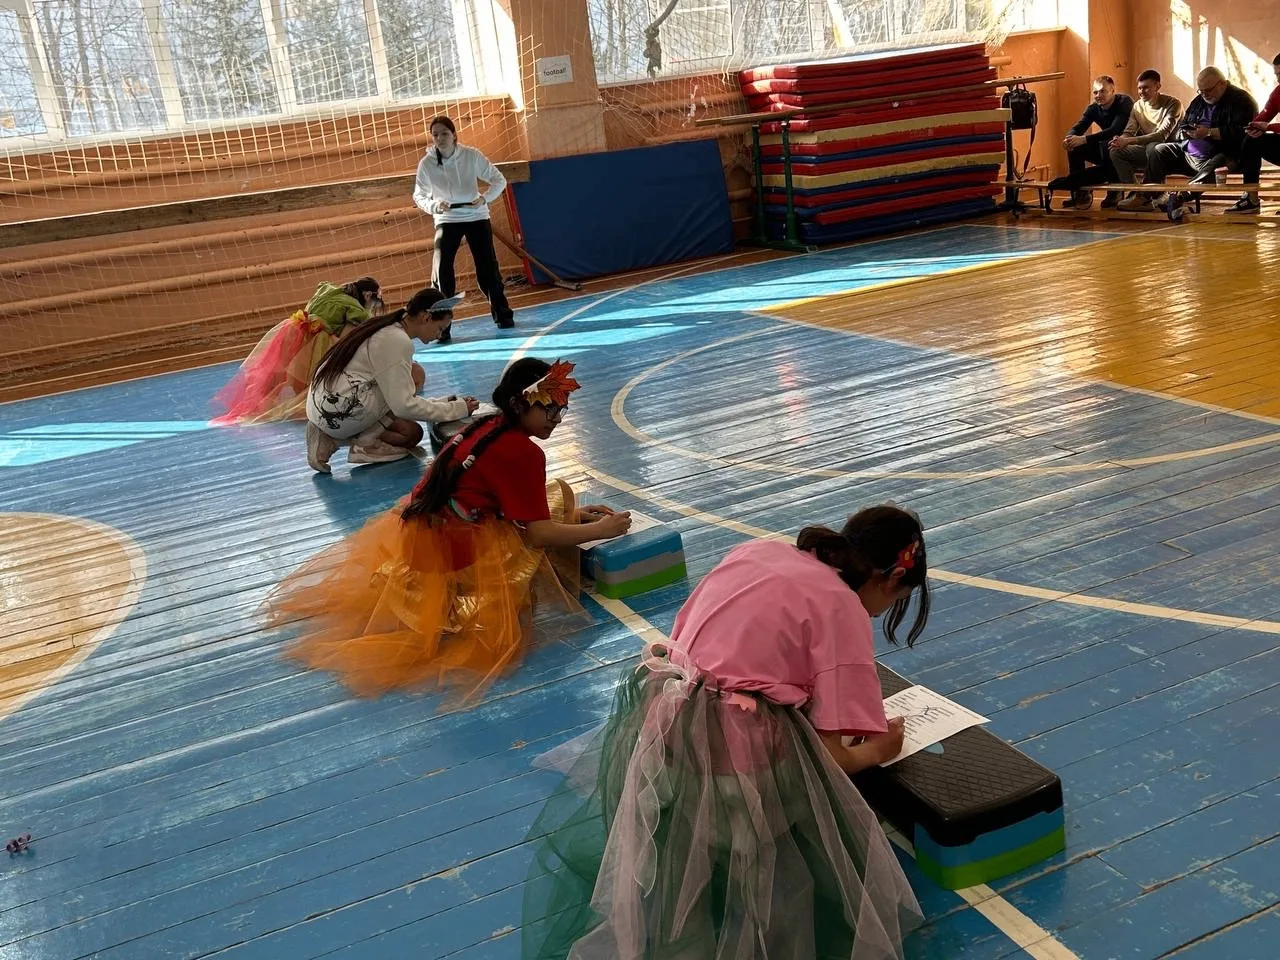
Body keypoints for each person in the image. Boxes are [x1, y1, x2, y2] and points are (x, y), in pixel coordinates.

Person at [521, 505, 931, 960]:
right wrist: (877, 750)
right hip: (740, 759)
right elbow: (833, 757)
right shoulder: (842, 606)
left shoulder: (760, 551)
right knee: (792, 831)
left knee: (691, 845)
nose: (881, 613)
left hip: (668, 721)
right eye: (896, 600)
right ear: (892, 578)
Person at [269, 358, 632, 703]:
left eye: (561, 411)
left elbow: (499, 498)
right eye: (548, 409)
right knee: (537, 547)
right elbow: (537, 535)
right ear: (519, 404)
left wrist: (571, 517)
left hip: (423, 528)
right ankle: (459, 601)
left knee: (558, 500)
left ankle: (450, 594)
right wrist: (602, 529)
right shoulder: (523, 452)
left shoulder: (487, 426)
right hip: (455, 546)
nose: (556, 420)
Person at [305, 287, 475, 473]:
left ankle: (329, 438)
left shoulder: (386, 326)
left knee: (411, 434)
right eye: (440, 328)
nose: (440, 335)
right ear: (426, 318)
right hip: (339, 408)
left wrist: (440, 403)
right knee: (412, 376)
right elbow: (403, 406)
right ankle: (365, 444)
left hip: (322, 406)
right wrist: (457, 409)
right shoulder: (397, 340)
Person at [212, 277, 383, 425]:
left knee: (284, 375)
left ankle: (263, 403)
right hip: (316, 341)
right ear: (368, 296)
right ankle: (289, 406)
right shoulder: (356, 309)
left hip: (294, 331)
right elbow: (346, 339)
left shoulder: (328, 290)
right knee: (312, 379)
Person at [412, 115, 515, 343]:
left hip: (476, 215)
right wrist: (434, 205)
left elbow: (499, 180)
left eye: (444, 133)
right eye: (435, 135)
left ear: (454, 135)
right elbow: (419, 195)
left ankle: (503, 315)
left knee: (487, 268)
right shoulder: (427, 164)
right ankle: (441, 327)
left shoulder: (471, 156)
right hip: (447, 219)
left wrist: (484, 198)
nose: (440, 138)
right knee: (442, 271)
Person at [1122, 66, 1257, 212]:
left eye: (1208, 90)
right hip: (1187, 152)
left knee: (1218, 162)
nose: (1204, 94)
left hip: (1220, 155)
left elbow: (1244, 133)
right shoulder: (1199, 100)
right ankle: (1147, 197)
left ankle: (1179, 197)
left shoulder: (1241, 100)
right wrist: (1185, 133)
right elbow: (1183, 124)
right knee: (1158, 149)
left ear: (1222, 84)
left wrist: (1210, 132)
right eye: (1201, 91)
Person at [1055, 76, 1133, 210]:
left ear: (1112, 91)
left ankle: (1115, 191)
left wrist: (1084, 139)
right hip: (1107, 150)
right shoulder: (1093, 108)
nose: (1098, 95)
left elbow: (1114, 130)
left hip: (1127, 149)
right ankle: (1080, 192)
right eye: (1095, 92)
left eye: (1102, 91)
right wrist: (1069, 139)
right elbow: (1079, 127)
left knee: (1108, 142)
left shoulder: (1124, 102)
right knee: (1075, 147)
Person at [1108, 69, 1182, 194]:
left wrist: (1128, 141)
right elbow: (1129, 131)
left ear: (1157, 86)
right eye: (1139, 88)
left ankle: (1153, 193)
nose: (1141, 92)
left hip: (1172, 152)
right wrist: (1120, 140)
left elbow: (1161, 136)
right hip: (1149, 150)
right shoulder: (1137, 106)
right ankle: (1136, 193)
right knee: (1115, 151)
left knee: (1153, 147)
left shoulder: (1173, 103)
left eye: (1146, 88)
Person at [1228, 52, 1280, 214]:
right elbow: (1264, 116)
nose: (1278, 79)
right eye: (1277, 75)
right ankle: (1251, 198)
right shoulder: (1278, 92)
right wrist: (1253, 127)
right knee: (1252, 140)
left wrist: (1269, 127)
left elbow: (1268, 125)